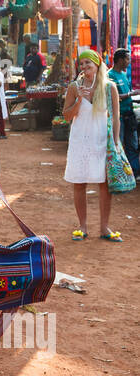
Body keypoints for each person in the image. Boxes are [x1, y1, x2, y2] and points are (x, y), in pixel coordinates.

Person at [63, 49, 122, 241]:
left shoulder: (109, 87)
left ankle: (105, 228)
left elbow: (115, 118)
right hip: (80, 141)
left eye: (89, 63)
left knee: (105, 185)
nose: (85, 67)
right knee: (79, 183)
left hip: (102, 141)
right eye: (82, 64)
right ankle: (82, 227)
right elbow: (66, 116)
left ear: (97, 64)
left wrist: (116, 141)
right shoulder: (74, 87)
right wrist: (80, 98)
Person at [110, 49, 139, 176]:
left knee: (132, 145)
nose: (129, 62)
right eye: (127, 59)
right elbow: (112, 96)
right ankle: (119, 174)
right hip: (119, 118)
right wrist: (130, 94)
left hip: (129, 115)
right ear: (120, 60)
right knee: (118, 145)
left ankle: (134, 172)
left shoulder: (123, 75)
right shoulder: (110, 76)